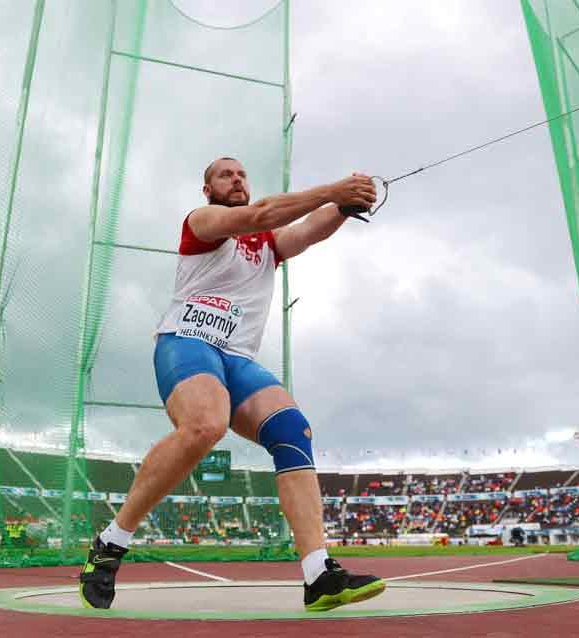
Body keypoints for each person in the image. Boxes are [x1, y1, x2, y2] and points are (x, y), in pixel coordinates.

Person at [79, 158, 384, 612]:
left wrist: (345, 204)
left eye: (242, 174)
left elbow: (307, 230)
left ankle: (318, 573)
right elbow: (262, 213)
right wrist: (333, 189)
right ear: (207, 190)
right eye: (226, 175)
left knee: (292, 431)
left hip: (236, 358)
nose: (237, 179)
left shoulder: (268, 245)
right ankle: (111, 541)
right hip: (187, 341)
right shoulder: (201, 221)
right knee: (205, 425)